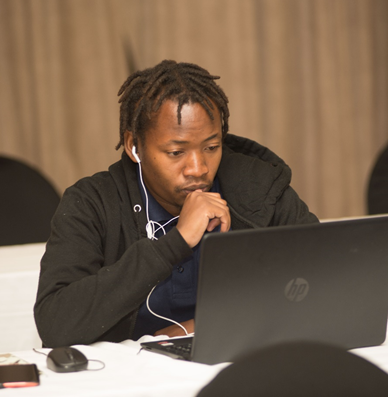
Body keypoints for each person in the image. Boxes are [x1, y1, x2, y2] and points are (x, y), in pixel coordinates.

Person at [34, 60, 318, 348]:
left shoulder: (259, 186)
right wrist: (176, 242)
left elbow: (325, 279)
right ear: (134, 146)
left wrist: (198, 326)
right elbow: (56, 325)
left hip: (240, 360)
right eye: (175, 152)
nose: (198, 168)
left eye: (211, 147)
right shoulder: (91, 203)